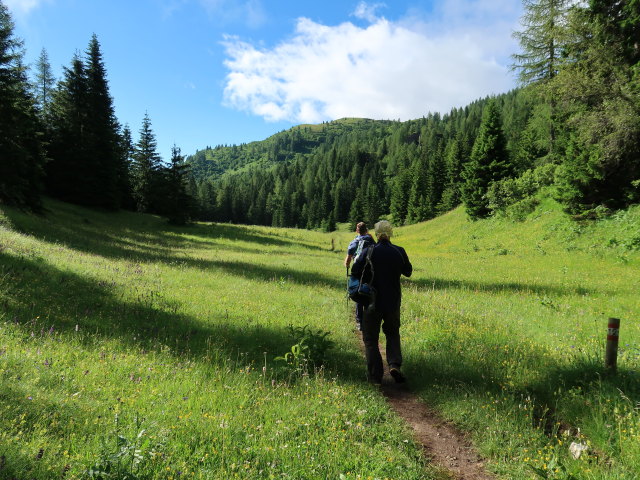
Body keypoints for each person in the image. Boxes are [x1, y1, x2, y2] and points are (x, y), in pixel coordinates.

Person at [350, 220, 412, 385]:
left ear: (376, 234)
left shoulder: (369, 251)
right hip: (393, 302)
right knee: (392, 333)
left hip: (372, 302)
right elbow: (408, 271)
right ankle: (394, 365)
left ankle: (375, 376)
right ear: (390, 233)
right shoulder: (399, 251)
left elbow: (354, 271)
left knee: (370, 339)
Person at [344, 222, 375, 330]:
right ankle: (369, 319)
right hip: (369, 271)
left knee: (358, 294)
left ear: (357, 231)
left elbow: (348, 259)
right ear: (366, 230)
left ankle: (359, 321)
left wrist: (346, 265)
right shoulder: (370, 240)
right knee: (369, 292)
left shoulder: (354, 241)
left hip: (357, 271)